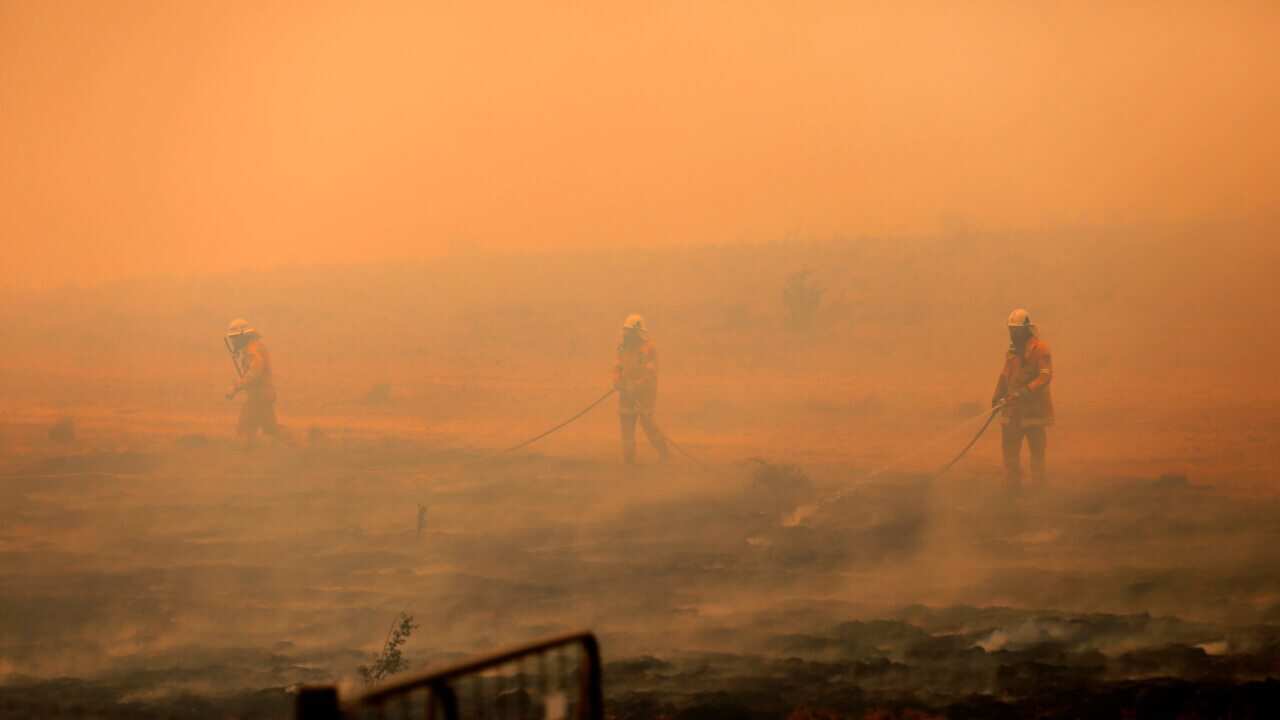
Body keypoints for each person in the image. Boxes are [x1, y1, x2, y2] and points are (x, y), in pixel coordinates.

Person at [992, 308, 1054, 488]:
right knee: (1010, 454)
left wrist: (1025, 391)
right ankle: (1012, 489)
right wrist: (997, 395)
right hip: (1012, 412)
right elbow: (1004, 376)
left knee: (1037, 454)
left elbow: (1045, 376)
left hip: (1034, 412)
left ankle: (1039, 491)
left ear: (1026, 329)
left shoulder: (1040, 349)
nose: (1013, 334)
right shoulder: (1012, 352)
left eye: (1016, 330)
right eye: (1011, 330)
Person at [613, 314, 669, 464]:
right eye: (626, 331)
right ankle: (629, 461)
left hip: (645, 395)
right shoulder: (622, 346)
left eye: (629, 332)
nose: (626, 335)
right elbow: (617, 366)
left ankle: (665, 454)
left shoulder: (648, 349)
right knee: (626, 428)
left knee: (648, 424)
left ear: (636, 333)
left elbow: (651, 373)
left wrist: (637, 385)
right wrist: (617, 381)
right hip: (625, 393)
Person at [224, 318, 283, 446]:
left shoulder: (252, 350)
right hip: (263, 395)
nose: (233, 341)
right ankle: (296, 447)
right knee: (271, 430)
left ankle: (245, 455)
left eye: (235, 338)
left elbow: (255, 372)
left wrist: (236, 387)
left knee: (244, 430)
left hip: (259, 397)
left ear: (242, 336)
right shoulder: (254, 347)